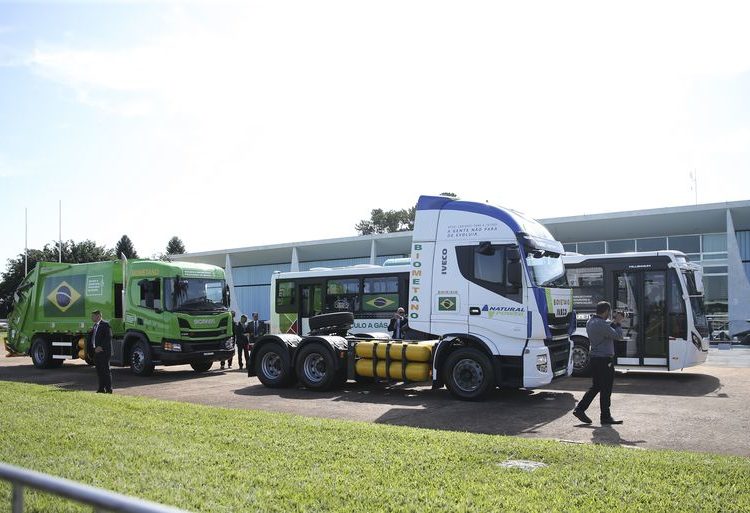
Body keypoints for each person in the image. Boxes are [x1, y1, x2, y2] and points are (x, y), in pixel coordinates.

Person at [573, 302, 625, 425]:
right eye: (609, 312)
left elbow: (605, 331)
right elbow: (618, 336)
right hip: (604, 360)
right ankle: (605, 417)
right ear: (606, 311)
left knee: (596, 386)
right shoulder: (601, 324)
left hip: (595, 358)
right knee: (606, 389)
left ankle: (580, 409)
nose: (610, 315)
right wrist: (618, 322)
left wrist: (613, 322)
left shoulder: (591, 321)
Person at [88, 309, 113, 394]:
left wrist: (101, 347)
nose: (91, 318)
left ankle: (109, 389)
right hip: (96, 352)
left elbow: (108, 337)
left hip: (104, 352)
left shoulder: (105, 325)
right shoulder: (95, 326)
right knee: (99, 371)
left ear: (98, 316)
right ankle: (101, 388)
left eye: (93, 316)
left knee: (106, 371)